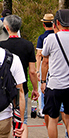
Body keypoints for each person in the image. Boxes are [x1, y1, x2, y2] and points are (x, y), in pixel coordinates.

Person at [1, 15, 39, 138]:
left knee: (3, 119)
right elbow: (32, 71)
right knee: (23, 120)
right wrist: (35, 89)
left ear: (6, 28)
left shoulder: (1, 44)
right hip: (21, 87)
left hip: (3, 87)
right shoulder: (27, 45)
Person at [41, 9, 69, 138]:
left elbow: (45, 61)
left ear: (57, 22)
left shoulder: (51, 38)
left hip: (54, 85)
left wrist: (42, 81)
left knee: (53, 118)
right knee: (68, 118)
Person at [35, 13, 54, 118]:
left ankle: (42, 109)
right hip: (55, 63)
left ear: (44, 25)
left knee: (42, 86)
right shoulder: (56, 36)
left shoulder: (42, 37)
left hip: (44, 64)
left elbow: (39, 55)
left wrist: (38, 70)